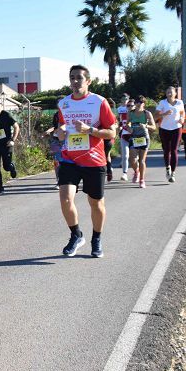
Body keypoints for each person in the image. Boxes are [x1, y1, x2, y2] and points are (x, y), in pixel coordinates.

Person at [56, 65, 116, 257]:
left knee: (96, 203)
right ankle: (76, 235)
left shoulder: (99, 102)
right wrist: (60, 133)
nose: (75, 81)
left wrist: (90, 130)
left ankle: (96, 239)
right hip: (69, 158)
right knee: (65, 198)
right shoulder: (63, 103)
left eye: (79, 78)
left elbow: (111, 132)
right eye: (72, 78)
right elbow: (60, 130)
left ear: (88, 81)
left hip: (94, 159)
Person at [155, 86, 184, 183]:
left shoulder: (180, 102)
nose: (169, 93)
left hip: (176, 127)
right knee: (166, 150)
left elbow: (182, 113)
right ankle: (168, 168)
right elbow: (156, 115)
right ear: (166, 93)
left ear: (175, 93)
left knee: (174, 149)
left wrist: (182, 119)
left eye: (171, 92)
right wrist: (165, 113)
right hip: (164, 128)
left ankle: (173, 173)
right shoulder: (162, 103)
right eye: (168, 92)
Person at [0, 97, 18, 194]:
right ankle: (0, 187)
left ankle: (11, 167)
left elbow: (16, 127)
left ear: (1, 105)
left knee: (6, 166)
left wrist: (13, 140)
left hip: (6, 144)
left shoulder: (6, 115)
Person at [126, 95, 155, 188]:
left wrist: (146, 126)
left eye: (141, 102)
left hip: (144, 137)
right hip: (134, 137)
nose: (139, 104)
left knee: (142, 160)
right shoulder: (130, 113)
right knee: (132, 159)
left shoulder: (147, 113)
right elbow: (127, 123)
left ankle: (142, 180)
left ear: (144, 104)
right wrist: (129, 128)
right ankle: (136, 171)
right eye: (137, 102)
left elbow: (154, 127)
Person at [116, 94, 131, 181]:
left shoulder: (132, 108)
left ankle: (137, 170)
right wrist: (119, 126)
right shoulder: (119, 109)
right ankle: (124, 172)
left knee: (133, 156)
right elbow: (118, 119)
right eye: (123, 99)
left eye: (126, 99)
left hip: (133, 132)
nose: (125, 100)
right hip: (123, 130)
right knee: (125, 153)